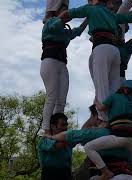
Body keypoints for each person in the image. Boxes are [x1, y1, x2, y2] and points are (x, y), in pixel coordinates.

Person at [58, 0, 132, 121]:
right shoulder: (111, 14)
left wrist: (55, 22)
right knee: (114, 87)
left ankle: (105, 120)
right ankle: (114, 117)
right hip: (115, 52)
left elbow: (66, 14)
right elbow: (129, 17)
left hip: (101, 48)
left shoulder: (90, 9)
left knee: (101, 87)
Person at [40, 1, 87, 135]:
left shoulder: (65, 31)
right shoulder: (49, 23)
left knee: (62, 99)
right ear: (56, 11)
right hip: (50, 61)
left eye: (67, 10)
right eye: (64, 10)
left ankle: (57, 127)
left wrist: (88, 16)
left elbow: (78, 31)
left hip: (62, 64)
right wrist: (64, 17)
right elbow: (55, 25)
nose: (67, 12)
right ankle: (47, 129)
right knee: (52, 97)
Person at [83, 80, 132, 179]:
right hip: (129, 139)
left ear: (124, 89)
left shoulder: (114, 97)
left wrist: (97, 101)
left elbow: (101, 107)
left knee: (88, 147)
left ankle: (105, 172)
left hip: (117, 137)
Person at [38, 113, 73, 180]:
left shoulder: (68, 140)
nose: (65, 127)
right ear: (53, 126)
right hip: (50, 175)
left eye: (66, 125)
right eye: (63, 125)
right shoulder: (45, 140)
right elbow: (60, 145)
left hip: (66, 174)